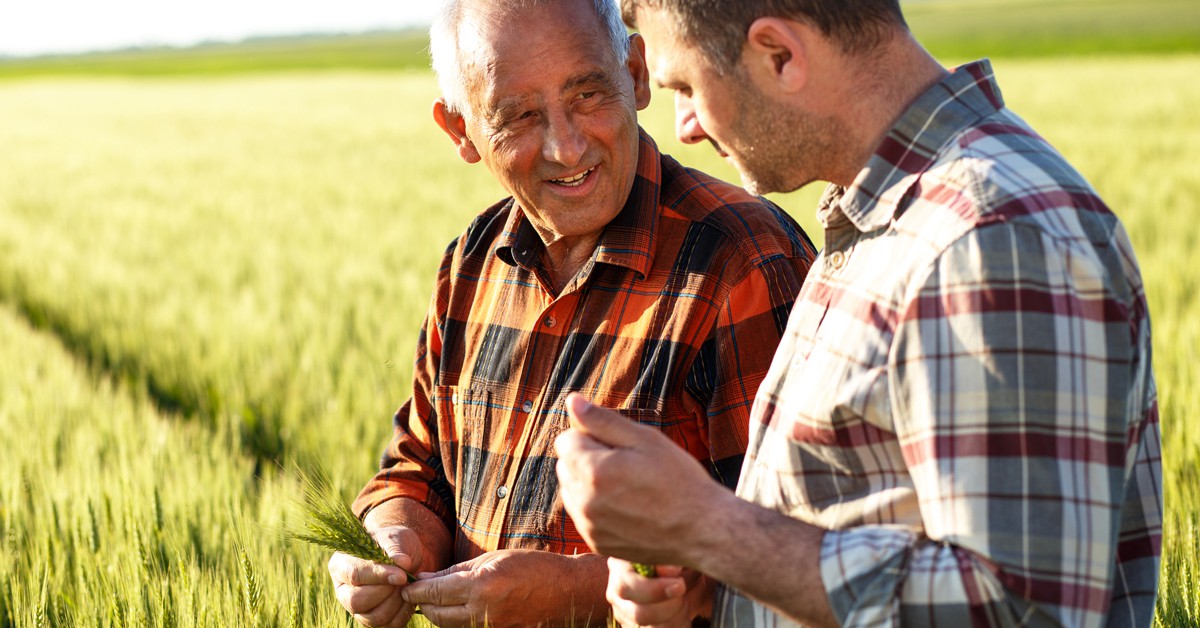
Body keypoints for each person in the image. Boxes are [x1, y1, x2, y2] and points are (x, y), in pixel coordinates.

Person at [555, 1, 1163, 626]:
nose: (683, 125)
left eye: (685, 85)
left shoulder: (990, 239)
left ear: (779, 56)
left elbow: (1019, 610)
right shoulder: (885, 217)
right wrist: (713, 583)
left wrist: (711, 528)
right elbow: (868, 526)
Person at [326, 0, 817, 625]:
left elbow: (799, 555)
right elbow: (418, 469)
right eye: (520, 117)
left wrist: (578, 594)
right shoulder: (469, 266)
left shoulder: (741, 262)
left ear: (635, 75)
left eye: (588, 95)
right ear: (461, 132)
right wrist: (395, 543)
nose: (566, 146)